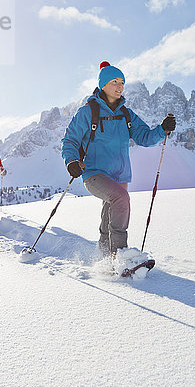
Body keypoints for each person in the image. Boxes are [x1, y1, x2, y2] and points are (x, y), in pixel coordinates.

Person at [61, 61, 176, 257]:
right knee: (120, 199)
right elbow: (70, 140)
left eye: (122, 82)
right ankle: (121, 255)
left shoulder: (126, 114)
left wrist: (162, 129)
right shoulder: (88, 111)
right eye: (114, 81)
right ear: (103, 84)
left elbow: (145, 138)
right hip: (94, 173)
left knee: (111, 210)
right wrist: (71, 161)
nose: (120, 86)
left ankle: (105, 255)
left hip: (120, 174)